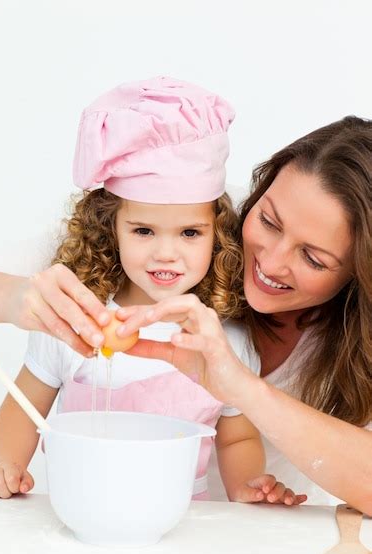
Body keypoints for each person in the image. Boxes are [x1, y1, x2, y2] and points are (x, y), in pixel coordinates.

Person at [0, 77, 305, 505]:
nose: (166, 254)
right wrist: (6, 465)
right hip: (82, 508)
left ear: (216, 233)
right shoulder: (74, 321)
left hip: (185, 526)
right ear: (112, 228)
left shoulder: (226, 340)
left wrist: (247, 486)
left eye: (189, 232)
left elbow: (237, 437)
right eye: (144, 230)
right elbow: (23, 406)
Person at [115, 115, 372, 511]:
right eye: (268, 221)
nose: (271, 262)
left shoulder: (360, 342)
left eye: (313, 258)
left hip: (260, 550)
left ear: (359, 275)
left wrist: (240, 386)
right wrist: (20, 300)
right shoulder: (188, 220)